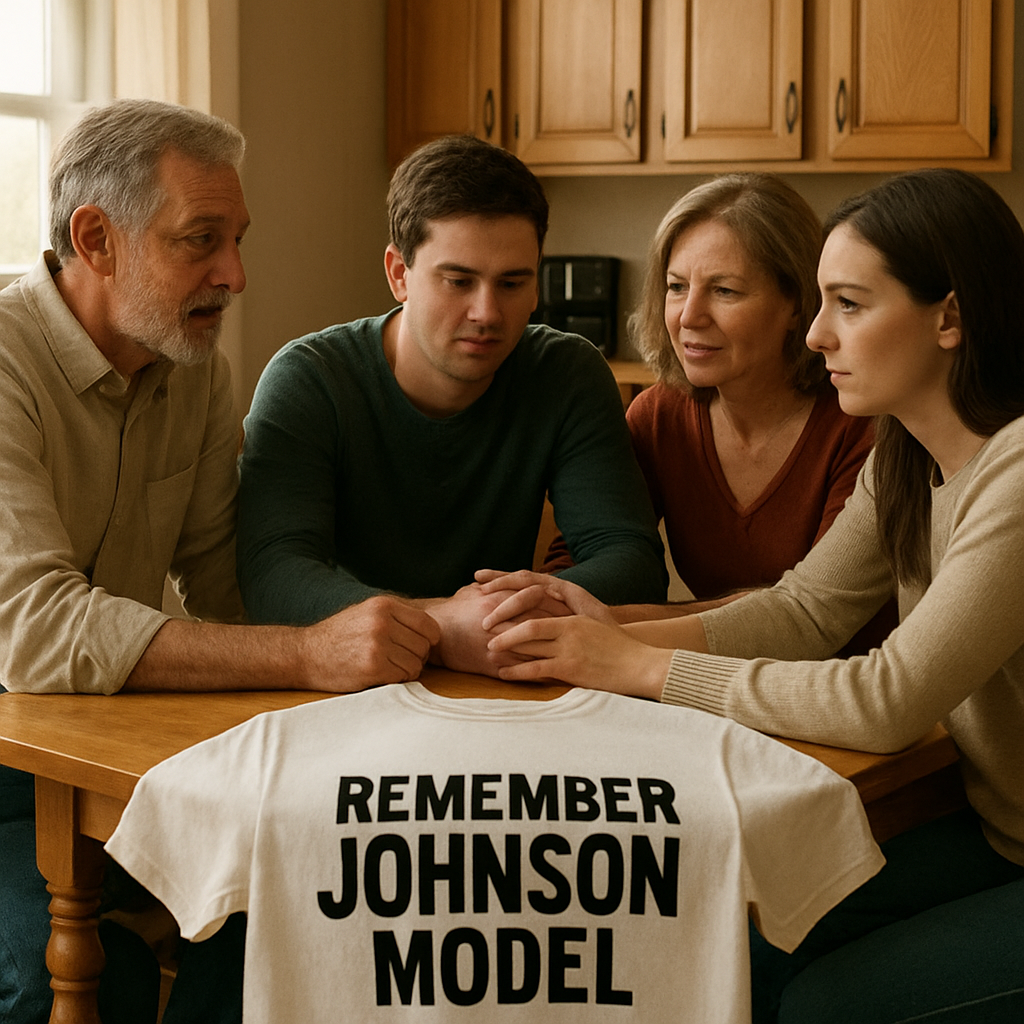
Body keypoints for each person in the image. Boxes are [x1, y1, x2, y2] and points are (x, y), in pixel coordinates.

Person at [482, 168, 1024, 1022]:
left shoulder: (1018, 475)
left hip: (1011, 849)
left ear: (949, 318)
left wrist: (637, 667)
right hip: (1000, 837)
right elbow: (805, 610)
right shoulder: (907, 455)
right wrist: (610, 626)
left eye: (848, 304)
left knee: (823, 1005)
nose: (815, 336)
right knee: (727, 942)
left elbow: (886, 700)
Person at [0, 98, 441, 1023]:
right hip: (12, 774)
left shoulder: (194, 370)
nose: (235, 275)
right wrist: (307, 657)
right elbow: (35, 635)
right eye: (201, 240)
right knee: (61, 976)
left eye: (237, 239)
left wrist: (402, 649)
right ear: (96, 238)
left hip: (103, 759)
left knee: (300, 906)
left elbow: (227, 581)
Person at [235, 133, 667, 675]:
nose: (487, 311)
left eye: (512, 283)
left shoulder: (567, 372)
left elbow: (630, 561)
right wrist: (444, 623)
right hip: (344, 686)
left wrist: (486, 619)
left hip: (505, 672)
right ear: (399, 274)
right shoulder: (309, 379)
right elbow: (272, 578)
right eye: (458, 281)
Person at [543, 173, 895, 656]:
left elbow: (809, 614)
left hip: (836, 697)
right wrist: (539, 601)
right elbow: (586, 552)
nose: (689, 315)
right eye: (675, 286)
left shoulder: (862, 425)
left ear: (798, 303)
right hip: (713, 684)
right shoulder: (658, 416)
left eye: (724, 291)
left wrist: (610, 624)